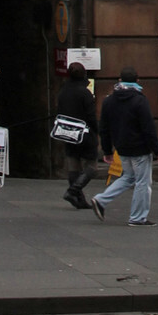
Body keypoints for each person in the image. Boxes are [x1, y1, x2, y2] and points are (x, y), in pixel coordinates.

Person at [93, 69, 158, 226]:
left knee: (128, 177)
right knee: (142, 182)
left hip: (121, 147)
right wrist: (157, 150)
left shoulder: (109, 101)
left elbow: (104, 127)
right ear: (137, 80)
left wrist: (107, 150)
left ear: (119, 80)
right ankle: (137, 218)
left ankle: (100, 200)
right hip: (140, 148)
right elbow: (148, 128)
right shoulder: (139, 100)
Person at [56, 60, 99, 208]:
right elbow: (91, 115)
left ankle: (79, 199)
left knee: (73, 165)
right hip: (85, 133)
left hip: (67, 132)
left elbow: (60, 111)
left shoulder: (63, 92)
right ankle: (73, 191)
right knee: (92, 166)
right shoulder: (85, 93)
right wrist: (97, 130)